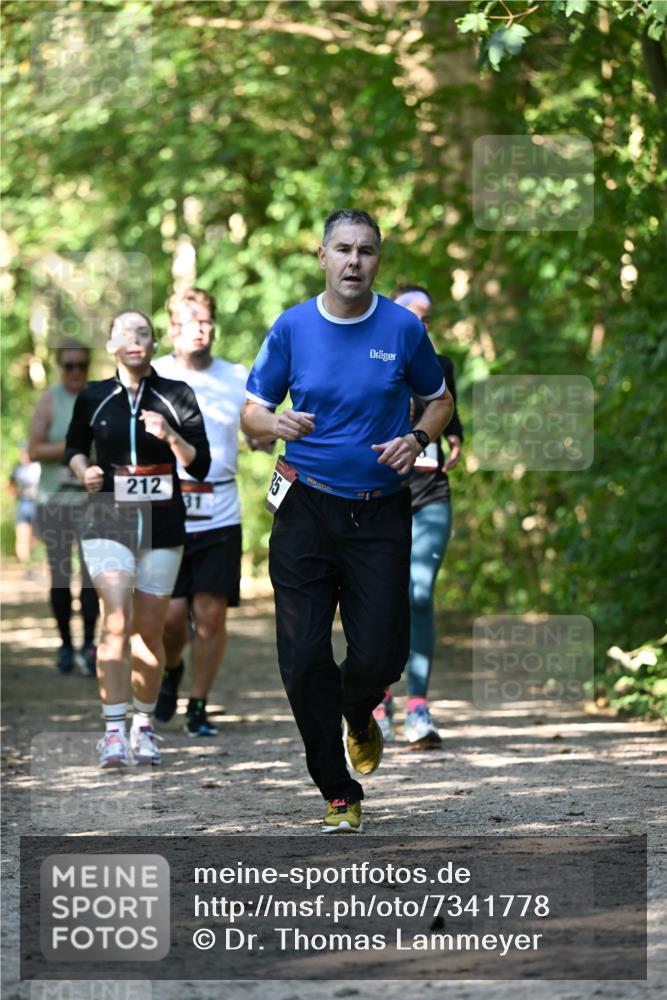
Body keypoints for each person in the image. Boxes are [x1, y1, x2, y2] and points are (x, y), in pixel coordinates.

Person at [241, 209, 453, 833]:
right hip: (305, 506)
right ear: (323, 256)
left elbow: (439, 400)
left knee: (381, 654)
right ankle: (338, 789)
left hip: (381, 512)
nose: (354, 261)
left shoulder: (402, 328)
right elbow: (253, 412)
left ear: (377, 261)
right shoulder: (292, 327)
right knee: (304, 655)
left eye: (366, 251)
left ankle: (360, 713)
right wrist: (274, 423)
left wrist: (416, 438)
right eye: (343, 249)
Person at [65, 310, 210, 768]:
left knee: (149, 631)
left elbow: (199, 463)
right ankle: (111, 731)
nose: (135, 339)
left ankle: (143, 727)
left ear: (153, 343)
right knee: (115, 618)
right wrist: (82, 471)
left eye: (144, 333)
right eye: (125, 332)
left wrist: (170, 436)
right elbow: (73, 448)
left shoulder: (176, 394)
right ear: (110, 345)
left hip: (163, 525)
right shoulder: (93, 395)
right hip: (106, 519)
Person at [152, 288, 248, 737]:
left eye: (207, 320)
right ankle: (172, 667)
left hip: (221, 508)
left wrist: (268, 437)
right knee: (171, 618)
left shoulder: (236, 376)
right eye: (191, 320)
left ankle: (199, 705)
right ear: (172, 328)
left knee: (210, 617)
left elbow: (255, 428)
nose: (201, 328)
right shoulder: (153, 375)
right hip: (167, 507)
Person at [373, 285, 464, 748]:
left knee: (421, 593)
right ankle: (377, 700)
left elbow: (451, 417)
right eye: (414, 314)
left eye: (428, 317)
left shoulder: (441, 366)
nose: (422, 323)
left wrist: (454, 442)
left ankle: (419, 708)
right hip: (379, 496)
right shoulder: (373, 358)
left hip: (430, 495)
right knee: (380, 598)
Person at [28, 341, 99, 674]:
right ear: (60, 367)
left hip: (90, 502)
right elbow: (34, 448)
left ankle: (89, 643)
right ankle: (65, 645)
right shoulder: (49, 400)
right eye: (69, 366)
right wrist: (73, 451)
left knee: (91, 576)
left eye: (81, 365)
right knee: (60, 575)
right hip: (54, 501)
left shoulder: (98, 397)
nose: (75, 372)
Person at [9, 442, 41, 574]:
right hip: (23, 503)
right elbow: (10, 484)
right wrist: (15, 495)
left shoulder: (38, 467)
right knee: (22, 535)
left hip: (36, 503)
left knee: (34, 536)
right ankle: (27, 567)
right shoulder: (17, 468)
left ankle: (32, 563)